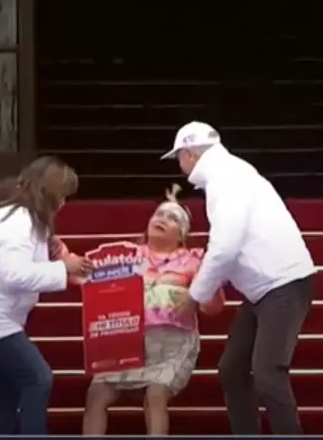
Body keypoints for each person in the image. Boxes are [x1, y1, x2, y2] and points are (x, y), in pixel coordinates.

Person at [162, 121, 316, 435]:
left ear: (189, 154)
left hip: (282, 284)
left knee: (268, 373)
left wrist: (195, 295)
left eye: (179, 158)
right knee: (233, 369)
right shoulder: (231, 173)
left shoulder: (226, 180)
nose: (180, 166)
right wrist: (208, 283)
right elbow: (228, 246)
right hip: (266, 289)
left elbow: (225, 246)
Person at [0, 157, 92, 436]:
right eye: (62, 196)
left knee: (7, 392)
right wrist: (63, 268)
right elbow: (16, 274)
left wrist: (65, 266)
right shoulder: (20, 220)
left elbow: (30, 262)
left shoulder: (14, 216)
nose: (63, 204)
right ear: (49, 193)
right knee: (38, 378)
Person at [82, 184, 226, 436]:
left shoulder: (194, 260)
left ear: (181, 234)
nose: (162, 219)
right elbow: (92, 286)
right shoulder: (124, 257)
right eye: (159, 214)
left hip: (173, 343)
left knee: (155, 395)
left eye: (172, 218)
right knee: (96, 395)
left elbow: (213, 309)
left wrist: (202, 293)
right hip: (127, 340)